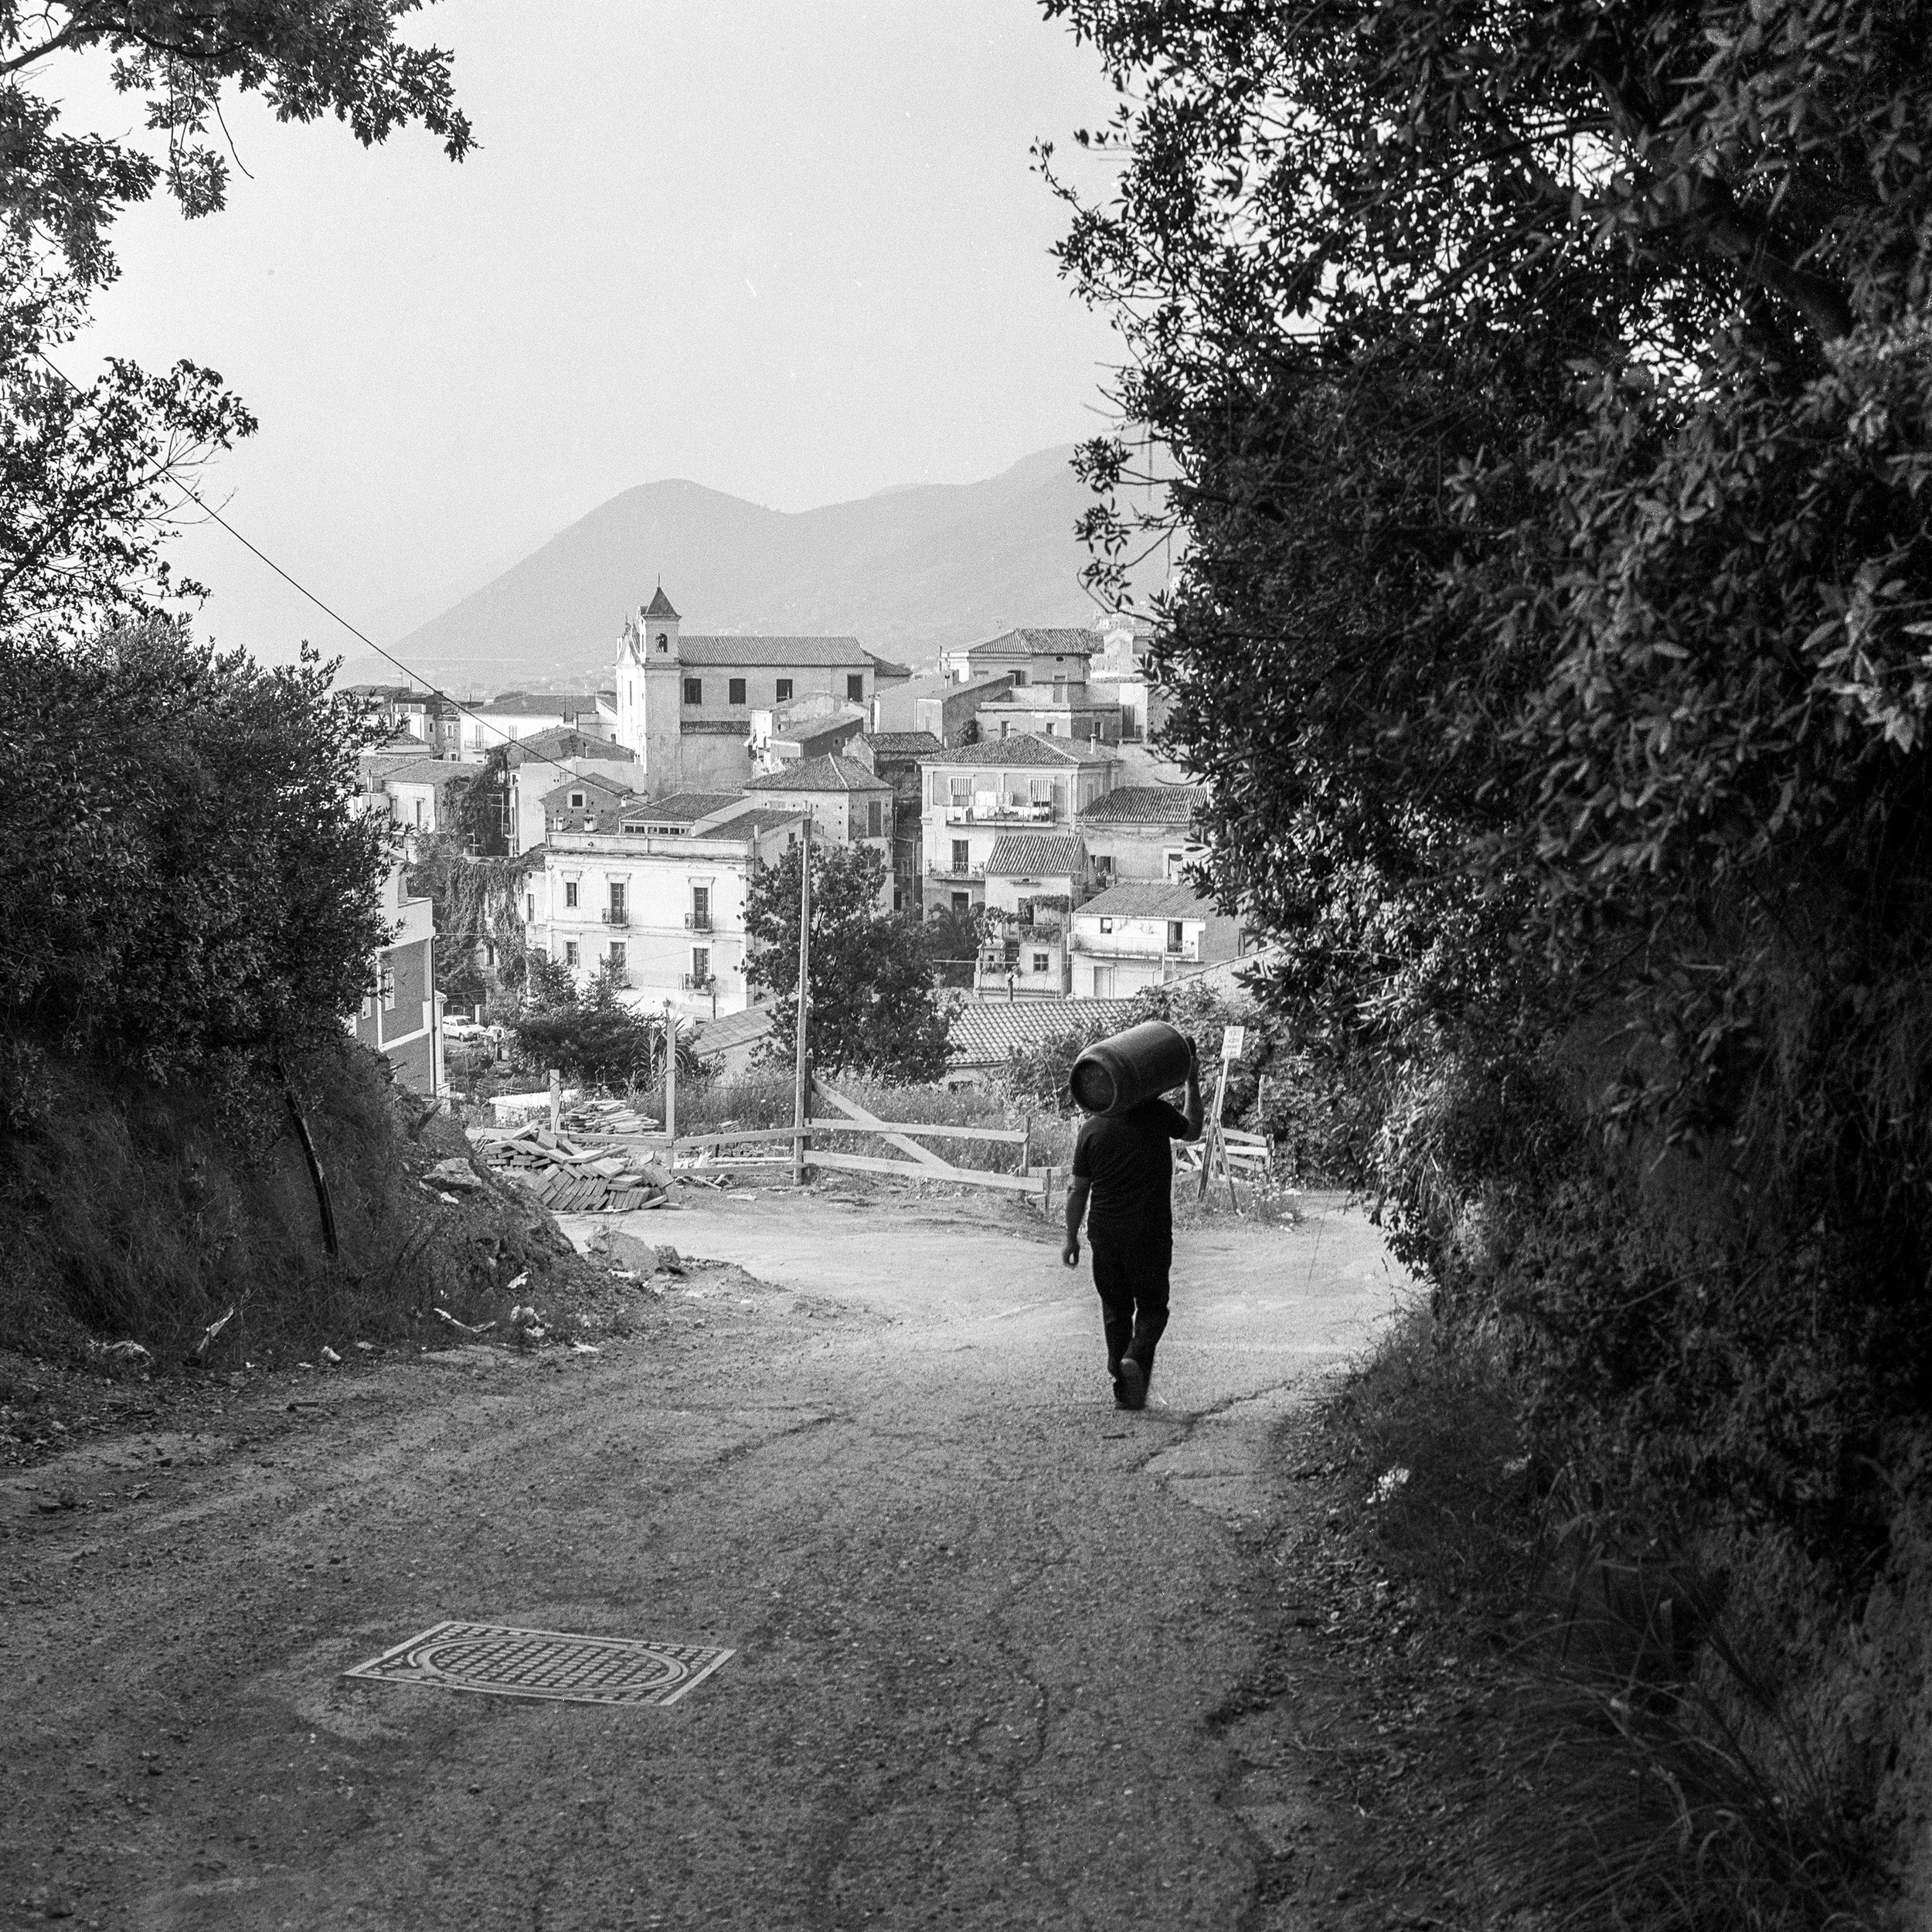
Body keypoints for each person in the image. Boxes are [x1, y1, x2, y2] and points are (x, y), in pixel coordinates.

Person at [1060, 1039, 1203, 1410]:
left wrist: (1070, 1238)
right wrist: (1192, 1081)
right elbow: (1192, 1131)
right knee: (1153, 1308)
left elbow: (1078, 1190)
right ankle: (1134, 1359)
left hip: (1105, 1234)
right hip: (1149, 1232)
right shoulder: (1157, 1114)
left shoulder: (1091, 1129)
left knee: (1115, 1308)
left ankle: (1124, 1389)